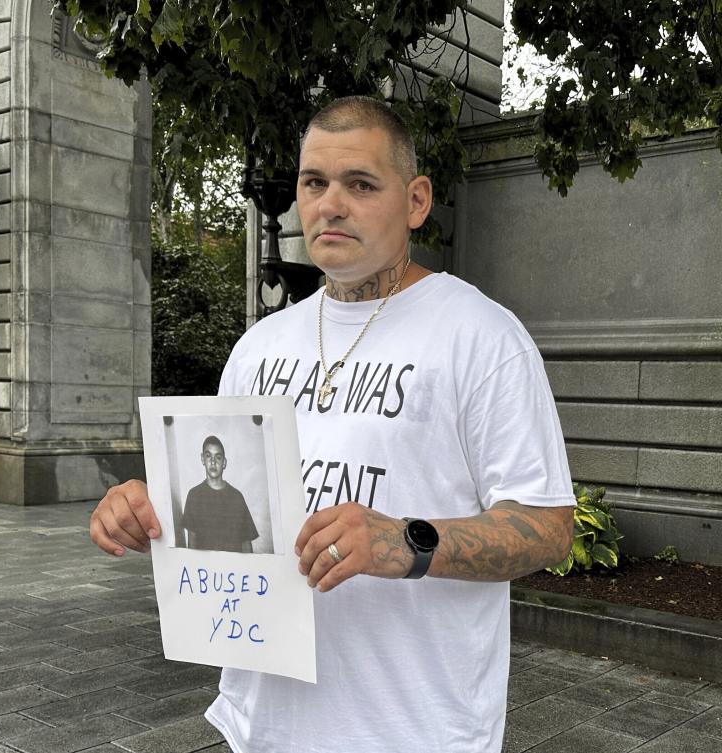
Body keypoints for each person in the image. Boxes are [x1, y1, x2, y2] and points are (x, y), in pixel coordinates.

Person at [89, 95, 575, 753]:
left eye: (361, 184)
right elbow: (235, 509)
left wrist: (407, 541)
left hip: (415, 731)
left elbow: (547, 528)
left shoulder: (480, 337)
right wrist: (155, 511)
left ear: (416, 200)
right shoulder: (258, 346)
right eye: (314, 182)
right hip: (266, 724)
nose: (331, 203)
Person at [179, 435, 259, 553]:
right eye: (208, 456)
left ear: (224, 463)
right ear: (202, 459)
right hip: (205, 569)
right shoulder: (194, 496)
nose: (212, 462)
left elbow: (246, 543)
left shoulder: (237, 497)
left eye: (218, 457)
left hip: (234, 569)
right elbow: (192, 543)